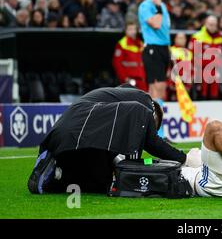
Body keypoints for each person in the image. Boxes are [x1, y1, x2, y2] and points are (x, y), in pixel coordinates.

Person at [28, 84, 200, 195]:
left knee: (104, 182)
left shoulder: (119, 99)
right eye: (153, 126)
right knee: (119, 174)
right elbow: (152, 142)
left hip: (69, 136)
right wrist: (184, 158)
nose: (149, 129)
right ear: (154, 114)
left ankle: (57, 174)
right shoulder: (145, 104)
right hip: (82, 129)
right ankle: (55, 169)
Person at [138, 0, 171, 102]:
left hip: (163, 48)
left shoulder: (162, 6)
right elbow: (156, 25)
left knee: (157, 89)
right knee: (157, 88)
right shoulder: (146, 6)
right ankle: (157, 121)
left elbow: (165, 31)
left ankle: (153, 120)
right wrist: (157, 8)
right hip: (153, 48)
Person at [188, 15, 222, 100]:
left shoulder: (219, 38)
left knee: (214, 95)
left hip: (214, 71)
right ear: (206, 24)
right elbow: (193, 56)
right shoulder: (198, 36)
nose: (212, 27)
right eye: (210, 24)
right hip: (201, 71)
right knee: (202, 94)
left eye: (214, 25)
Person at [112, 22, 147, 91]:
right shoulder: (122, 44)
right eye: (130, 29)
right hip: (129, 80)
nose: (133, 31)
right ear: (126, 31)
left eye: (134, 29)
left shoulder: (140, 43)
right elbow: (117, 63)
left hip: (141, 80)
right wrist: (124, 78)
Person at [167, 32, 193, 101]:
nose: (182, 40)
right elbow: (168, 68)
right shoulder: (170, 50)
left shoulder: (189, 53)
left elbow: (191, 69)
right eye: (180, 38)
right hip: (174, 84)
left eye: (183, 38)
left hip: (185, 84)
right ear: (175, 39)